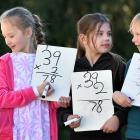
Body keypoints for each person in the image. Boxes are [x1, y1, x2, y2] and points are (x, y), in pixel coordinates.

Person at [0, 7, 70, 140]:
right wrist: (35, 91)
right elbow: (2, 98)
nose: (7, 41)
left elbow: (48, 102)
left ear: (28, 32)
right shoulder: (4, 62)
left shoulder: (47, 60)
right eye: (4, 36)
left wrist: (59, 102)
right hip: (16, 134)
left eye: (11, 36)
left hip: (42, 132)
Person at [58, 13, 127, 140]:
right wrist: (67, 118)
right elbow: (61, 110)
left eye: (109, 34)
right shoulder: (71, 67)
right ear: (83, 39)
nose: (106, 38)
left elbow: (130, 102)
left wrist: (118, 118)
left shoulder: (118, 64)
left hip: (110, 137)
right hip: (79, 137)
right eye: (100, 34)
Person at [113, 13, 140, 140]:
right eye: (133, 35)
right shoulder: (131, 65)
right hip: (134, 133)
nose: (133, 40)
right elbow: (123, 103)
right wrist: (116, 95)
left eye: (138, 34)